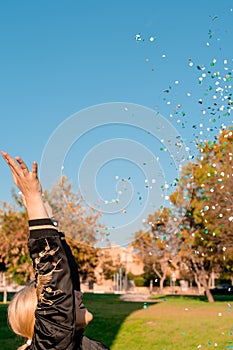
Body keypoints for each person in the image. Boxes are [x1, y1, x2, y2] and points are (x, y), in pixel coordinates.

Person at [2, 151, 109, 350]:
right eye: (66, 296)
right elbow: (56, 285)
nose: (77, 294)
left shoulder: (78, 344)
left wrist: (47, 218)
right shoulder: (51, 345)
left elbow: (65, 276)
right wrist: (33, 199)